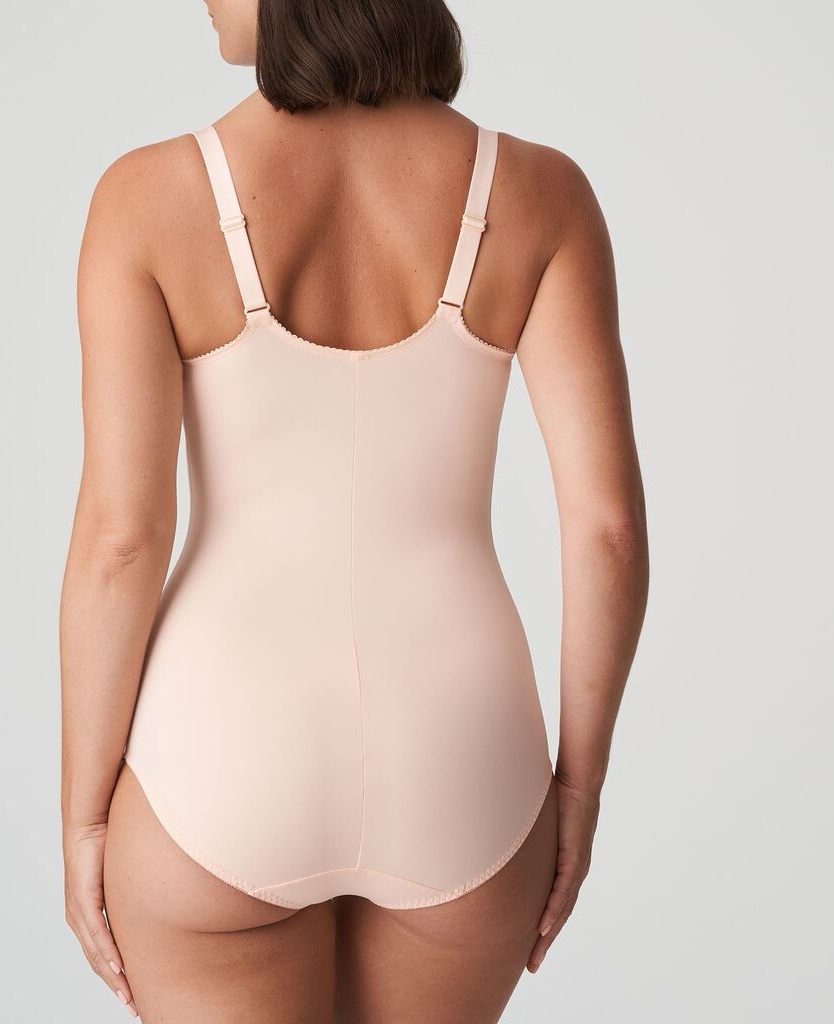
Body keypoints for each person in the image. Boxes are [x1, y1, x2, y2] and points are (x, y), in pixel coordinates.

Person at [59, 1, 649, 1020]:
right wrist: (578, 790)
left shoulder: (146, 199)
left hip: (219, 753)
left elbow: (122, 542)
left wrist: (82, 816)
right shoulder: (541, 193)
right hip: (465, 755)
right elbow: (607, 531)